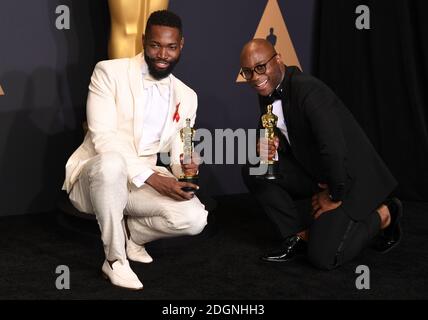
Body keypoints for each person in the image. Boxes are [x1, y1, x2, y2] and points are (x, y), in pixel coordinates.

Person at [62, 10, 208, 290]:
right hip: (95, 178)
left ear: (181, 45)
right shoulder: (108, 72)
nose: (162, 54)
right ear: (143, 40)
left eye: (171, 47)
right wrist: (154, 179)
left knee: (194, 218)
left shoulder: (187, 96)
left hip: (139, 182)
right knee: (112, 162)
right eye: (155, 45)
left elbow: (180, 143)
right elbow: (103, 138)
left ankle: (133, 236)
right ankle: (115, 260)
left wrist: (184, 166)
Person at [240, 39, 402, 270]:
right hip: (317, 171)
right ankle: (297, 237)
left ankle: (385, 213)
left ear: (278, 60)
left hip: (349, 178)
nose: (255, 77)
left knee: (323, 257)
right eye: (247, 72)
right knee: (255, 167)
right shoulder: (267, 90)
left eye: (260, 67)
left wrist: (334, 196)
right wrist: (268, 145)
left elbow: (333, 148)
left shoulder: (309, 90)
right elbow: (290, 133)